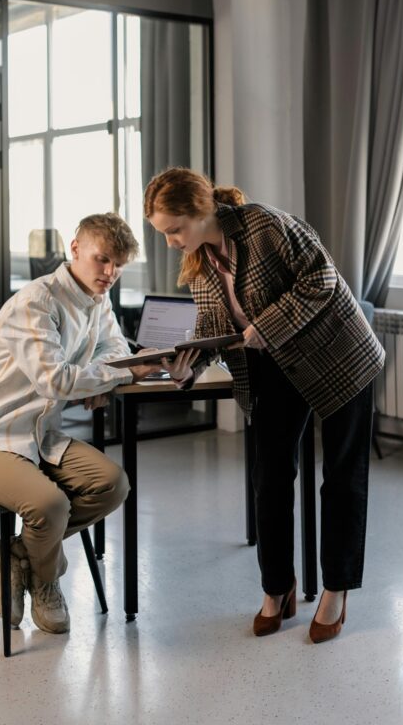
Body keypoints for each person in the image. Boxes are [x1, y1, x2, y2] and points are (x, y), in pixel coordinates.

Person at [144, 168, 385, 643]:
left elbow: (323, 279)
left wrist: (268, 324)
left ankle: (335, 590)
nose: (171, 242)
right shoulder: (199, 262)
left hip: (339, 354)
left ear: (202, 211)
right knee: (270, 478)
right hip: (277, 365)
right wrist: (186, 367)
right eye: (164, 233)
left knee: (341, 478)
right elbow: (218, 332)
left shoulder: (266, 225)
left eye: (174, 230)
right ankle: (278, 588)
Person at [0, 212, 166, 635]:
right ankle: (46, 581)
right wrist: (111, 376)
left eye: (119, 264)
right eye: (102, 260)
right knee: (50, 505)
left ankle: (15, 555)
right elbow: (56, 379)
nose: (110, 273)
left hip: (38, 436)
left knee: (112, 484)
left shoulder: (98, 301)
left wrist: (102, 374)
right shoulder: (37, 301)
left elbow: (115, 352)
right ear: (75, 249)